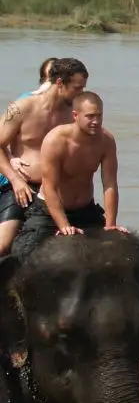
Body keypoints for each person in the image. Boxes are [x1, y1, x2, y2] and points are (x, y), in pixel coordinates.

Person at [9, 90, 127, 258]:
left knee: (114, 255)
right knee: (24, 253)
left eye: (99, 116)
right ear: (75, 115)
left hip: (86, 211)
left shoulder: (106, 140)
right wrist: (64, 225)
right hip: (49, 212)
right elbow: (50, 187)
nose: (96, 121)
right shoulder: (56, 140)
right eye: (90, 116)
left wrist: (110, 225)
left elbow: (109, 184)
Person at [0, 57, 88, 255]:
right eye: (77, 87)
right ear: (59, 83)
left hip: (58, 190)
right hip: (23, 188)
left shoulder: (74, 112)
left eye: (83, 88)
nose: (80, 93)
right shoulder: (22, 107)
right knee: (3, 244)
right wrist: (15, 180)